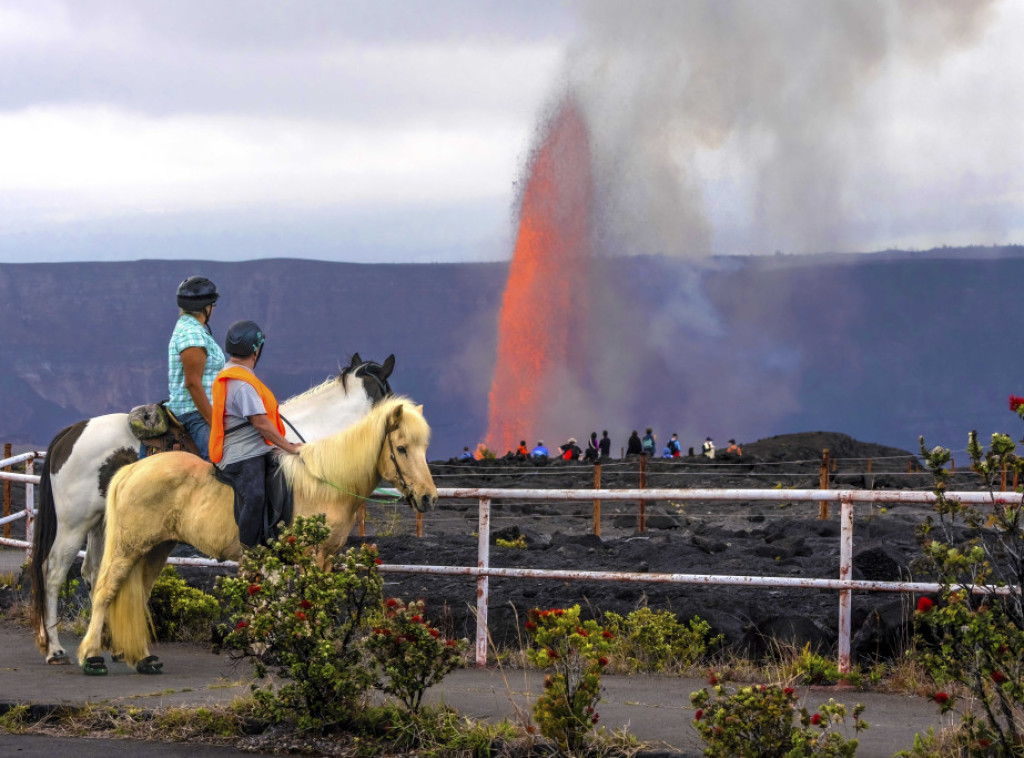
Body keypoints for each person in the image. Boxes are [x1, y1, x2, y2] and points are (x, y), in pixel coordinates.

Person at [209, 320, 303, 548]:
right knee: (255, 496)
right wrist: (289, 447)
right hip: (243, 454)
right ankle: (249, 551)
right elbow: (260, 423)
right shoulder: (242, 385)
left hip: (257, 448)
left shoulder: (234, 375)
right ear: (256, 350)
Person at [168, 276, 224, 460]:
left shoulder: (191, 329)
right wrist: (214, 422)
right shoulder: (192, 334)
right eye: (212, 305)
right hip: (195, 414)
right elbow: (192, 383)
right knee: (221, 463)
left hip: (200, 409)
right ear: (206, 307)